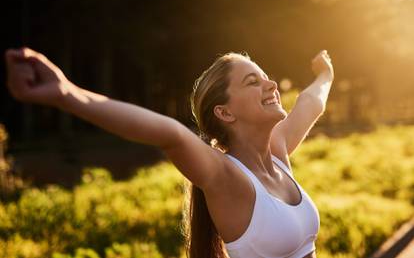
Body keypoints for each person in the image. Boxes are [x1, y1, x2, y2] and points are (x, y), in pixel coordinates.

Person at [5, 47, 334, 258]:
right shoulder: (227, 178)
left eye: (266, 78)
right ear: (225, 113)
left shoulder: (277, 155)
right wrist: (67, 94)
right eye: (253, 81)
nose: (271, 85)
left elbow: (310, 102)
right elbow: (169, 133)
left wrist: (325, 73)